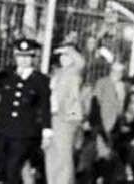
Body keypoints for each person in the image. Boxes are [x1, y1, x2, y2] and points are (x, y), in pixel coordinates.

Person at [0, 38, 52, 184]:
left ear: (33, 58)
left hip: (24, 132)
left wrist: (46, 131)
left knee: (13, 167)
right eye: (20, 56)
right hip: (3, 129)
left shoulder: (40, 80)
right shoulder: (7, 74)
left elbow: (45, 107)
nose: (23, 60)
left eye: (27, 56)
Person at [45, 42, 84, 184]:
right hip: (53, 116)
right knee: (51, 154)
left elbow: (80, 62)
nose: (63, 57)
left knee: (63, 156)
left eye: (67, 55)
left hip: (66, 118)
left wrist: (69, 50)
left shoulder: (74, 71)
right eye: (61, 55)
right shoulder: (58, 72)